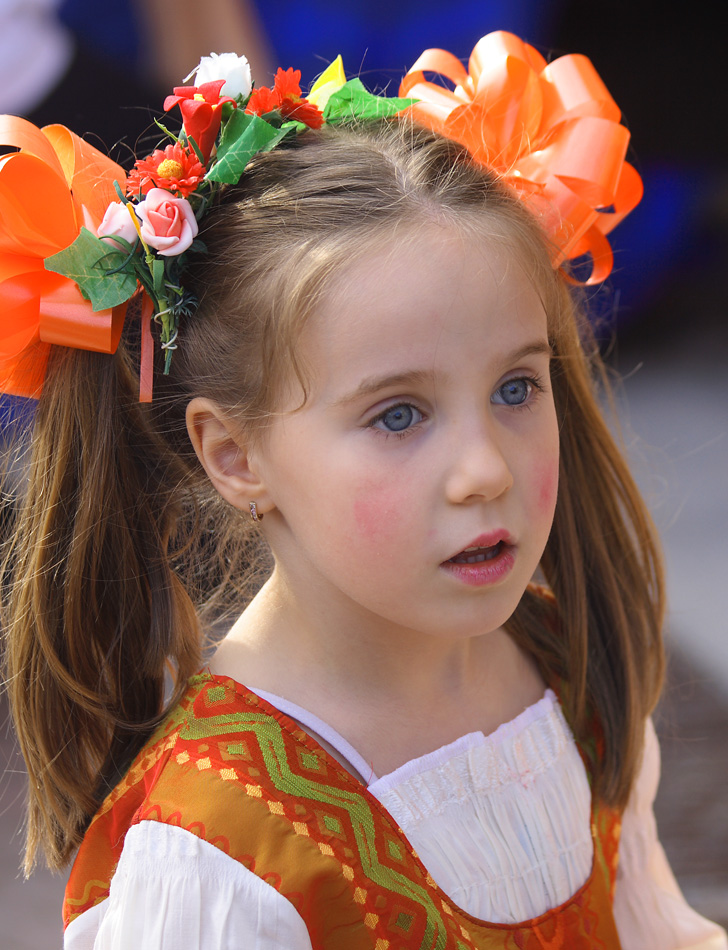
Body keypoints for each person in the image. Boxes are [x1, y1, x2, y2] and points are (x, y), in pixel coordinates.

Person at [1, 32, 725, 950]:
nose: (487, 469)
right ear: (236, 455)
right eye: (398, 416)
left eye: (515, 388)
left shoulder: (564, 661)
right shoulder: (221, 849)